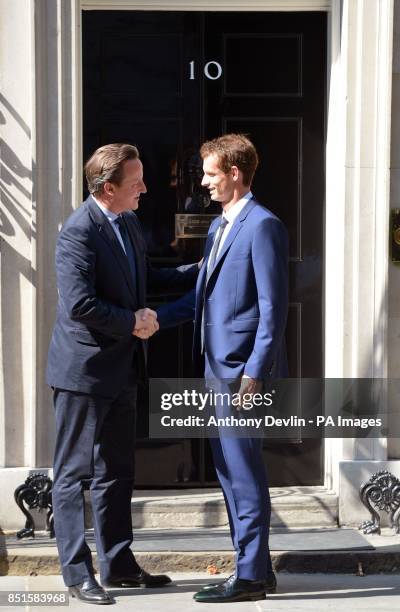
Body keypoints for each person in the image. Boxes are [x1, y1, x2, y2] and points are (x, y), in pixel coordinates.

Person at [46, 143, 199, 605]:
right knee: (73, 474)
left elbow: (145, 278)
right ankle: (76, 573)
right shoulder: (78, 232)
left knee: (117, 471)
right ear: (107, 188)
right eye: (136, 183)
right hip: (84, 372)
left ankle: (119, 563)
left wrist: (204, 270)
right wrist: (133, 322)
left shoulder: (126, 221)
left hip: (124, 367)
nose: (145, 189)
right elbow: (80, 304)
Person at [157, 134, 289, 603]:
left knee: (244, 473)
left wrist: (255, 373)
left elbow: (273, 311)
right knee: (229, 474)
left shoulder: (263, 226)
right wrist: (155, 320)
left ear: (235, 173)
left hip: (241, 375)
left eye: (211, 173)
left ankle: (251, 576)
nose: (205, 182)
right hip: (214, 369)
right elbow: (201, 297)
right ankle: (254, 569)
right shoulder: (218, 228)